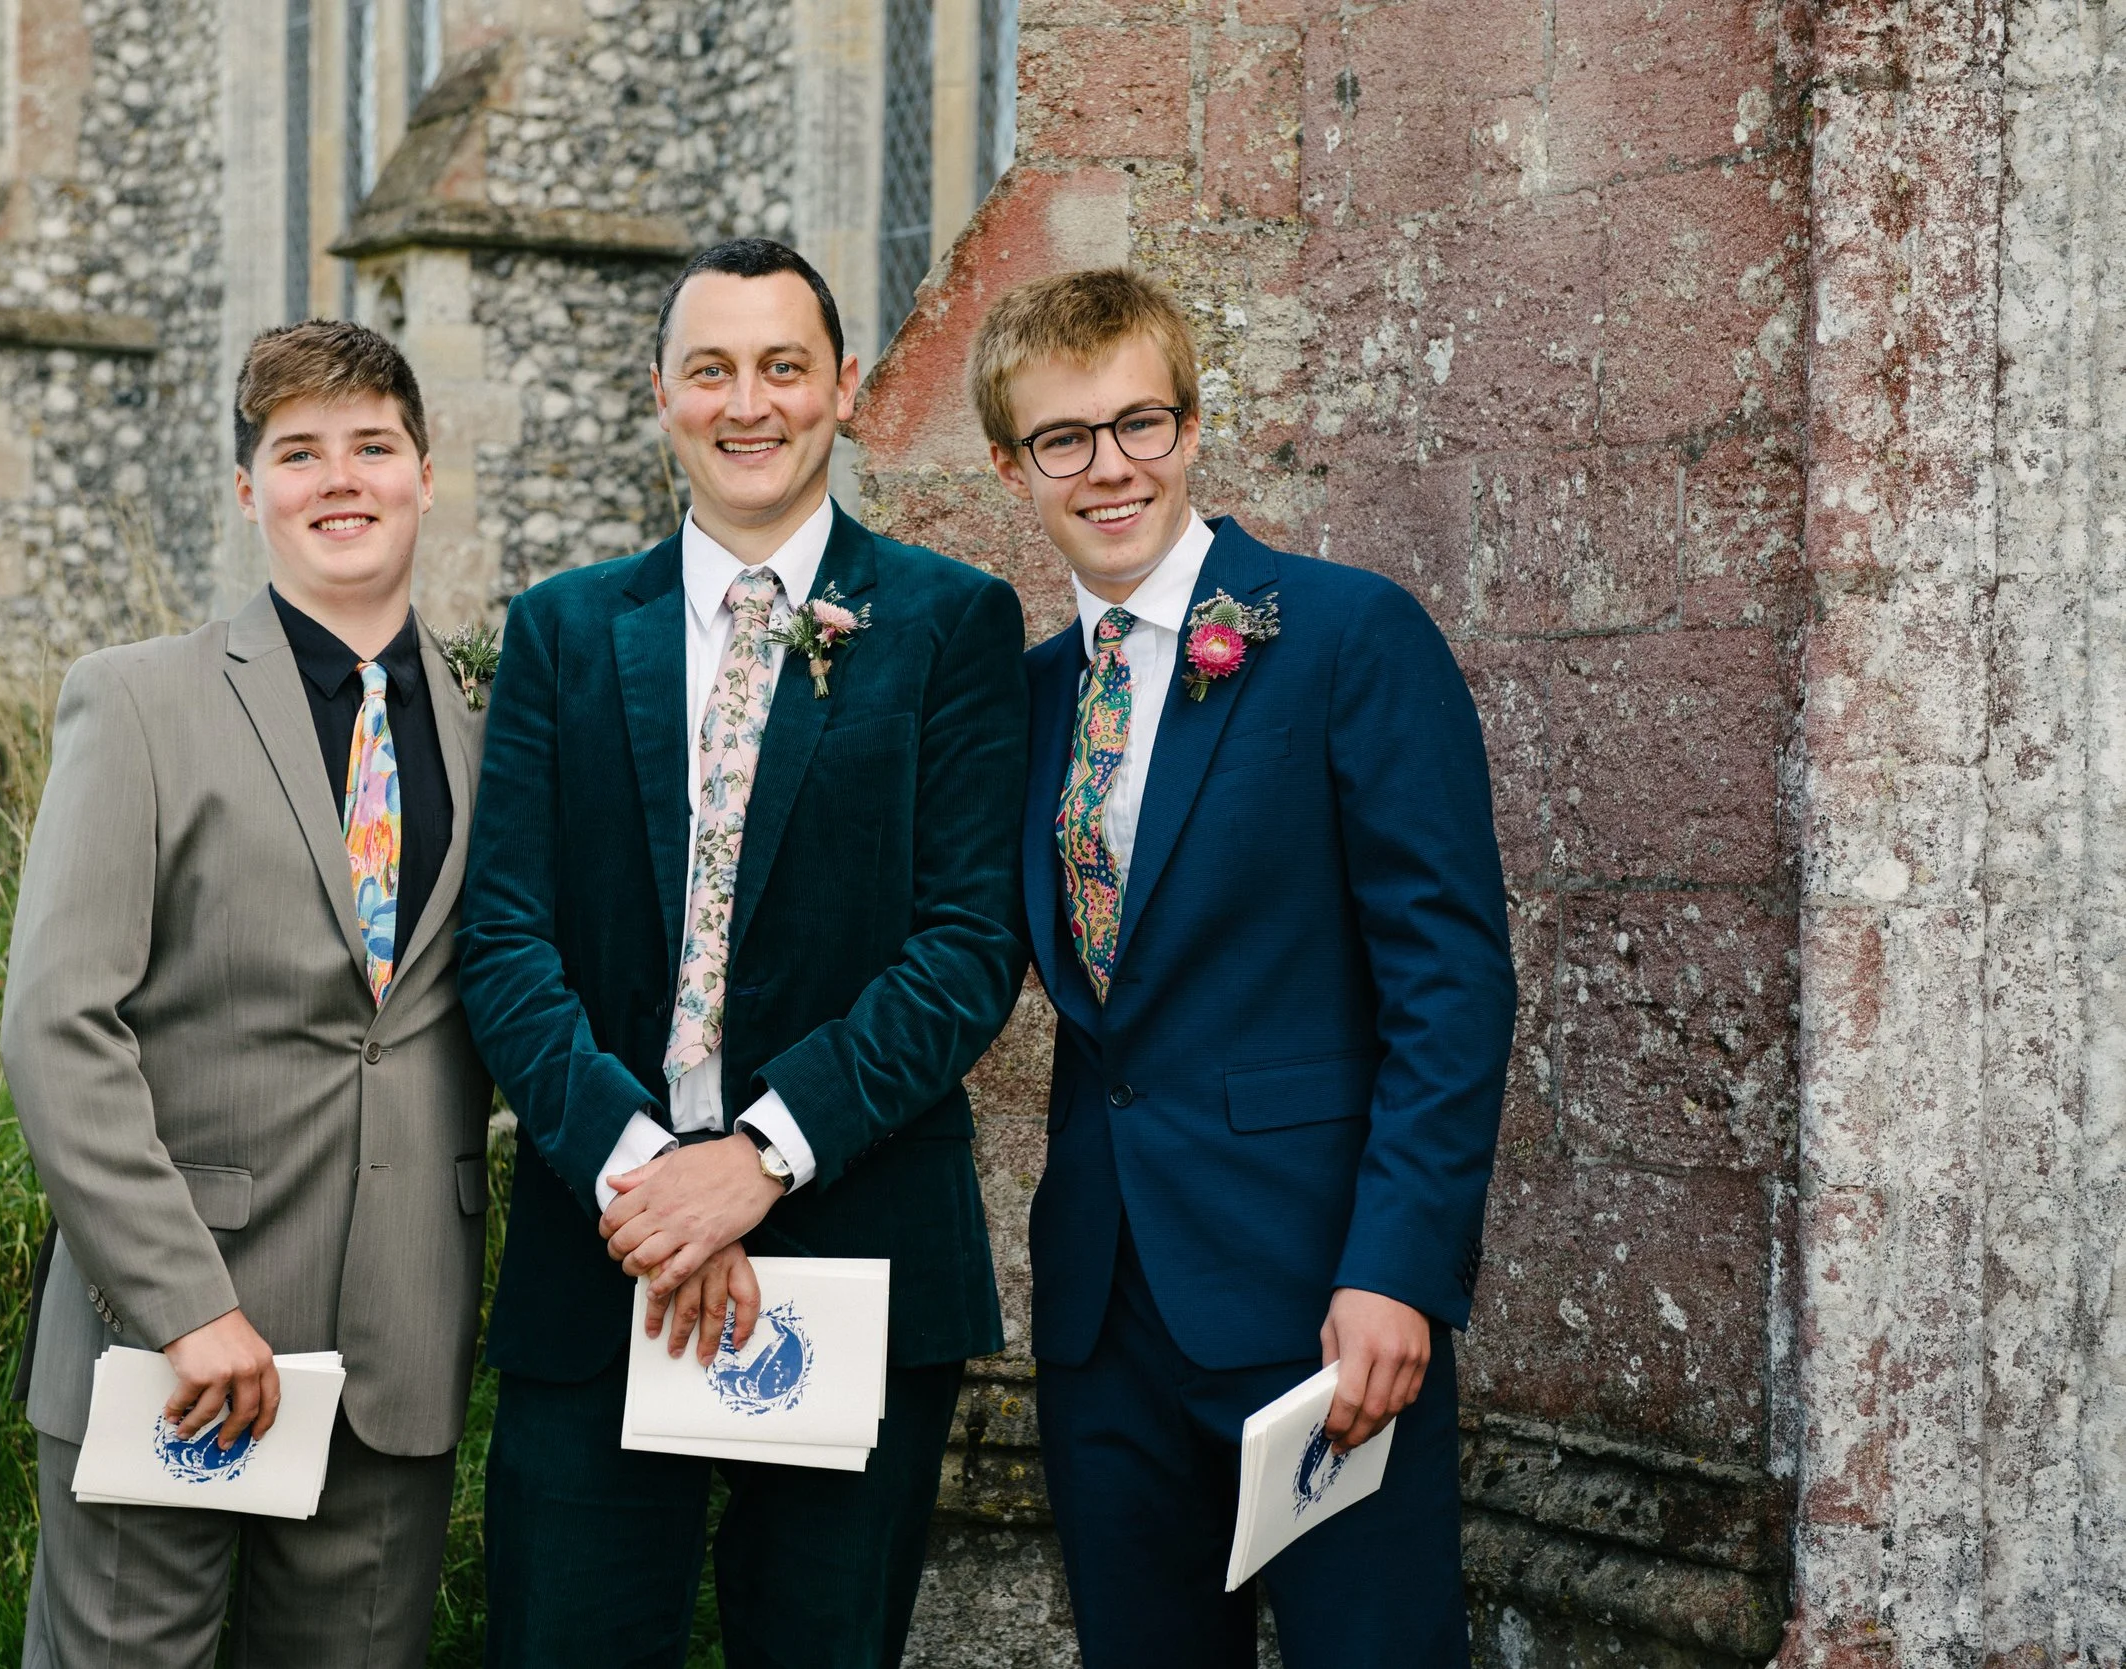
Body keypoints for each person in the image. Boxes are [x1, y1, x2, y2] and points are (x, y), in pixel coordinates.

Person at [453, 237, 1028, 1668]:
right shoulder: (564, 631)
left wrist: (759, 1158)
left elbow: (968, 947)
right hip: (607, 1255)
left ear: (845, 385)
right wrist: (651, 1181)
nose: (748, 402)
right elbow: (505, 943)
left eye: (783, 366)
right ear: (661, 392)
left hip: (856, 1248)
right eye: (711, 369)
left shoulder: (951, 623)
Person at [970, 267, 1515, 1665]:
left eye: (1139, 423)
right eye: (1064, 438)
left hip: (1322, 1307)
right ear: (1013, 467)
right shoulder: (1030, 697)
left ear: (1193, 426)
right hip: (1103, 1325)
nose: (1110, 466)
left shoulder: (1346, 634)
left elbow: (1448, 983)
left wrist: (1398, 1269)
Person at [1, 319, 492, 1667]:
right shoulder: (138, 704)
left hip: (398, 1346)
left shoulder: (493, 727)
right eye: (298, 452)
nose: (340, 480)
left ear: (425, 474)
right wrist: (182, 1303)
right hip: (168, 1341)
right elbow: (57, 1026)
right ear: (246, 488)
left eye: (372, 447)